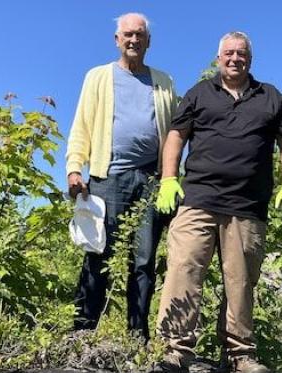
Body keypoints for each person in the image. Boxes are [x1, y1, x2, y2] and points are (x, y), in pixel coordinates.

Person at [154, 31, 282, 373]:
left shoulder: (271, 97)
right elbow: (176, 135)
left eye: (241, 53)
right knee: (183, 270)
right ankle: (175, 352)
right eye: (228, 53)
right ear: (218, 58)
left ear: (250, 58)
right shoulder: (199, 93)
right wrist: (168, 178)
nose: (235, 58)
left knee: (240, 281)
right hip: (198, 199)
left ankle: (240, 356)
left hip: (247, 206)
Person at [66, 13, 178, 338]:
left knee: (143, 260)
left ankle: (137, 337)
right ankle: (82, 334)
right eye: (127, 34)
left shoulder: (164, 82)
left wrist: (172, 178)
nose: (133, 40)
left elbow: (175, 133)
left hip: (151, 181)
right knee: (98, 253)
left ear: (148, 42)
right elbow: (81, 126)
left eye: (139, 35)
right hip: (107, 178)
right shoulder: (99, 77)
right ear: (117, 40)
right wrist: (75, 167)